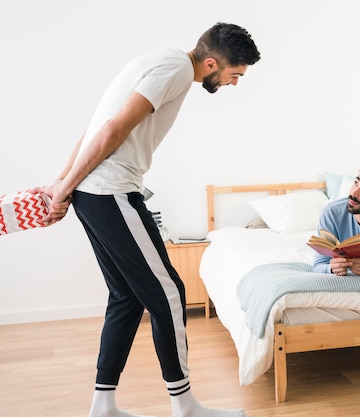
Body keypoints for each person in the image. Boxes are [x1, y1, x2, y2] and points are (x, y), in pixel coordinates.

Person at [34, 23, 261, 417]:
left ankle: (103, 405)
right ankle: (185, 405)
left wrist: (63, 184)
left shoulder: (154, 59)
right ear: (211, 63)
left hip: (96, 192)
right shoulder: (174, 70)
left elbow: (95, 127)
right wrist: (63, 186)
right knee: (169, 293)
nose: (233, 83)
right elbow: (111, 129)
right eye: (233, 75)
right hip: (111, 191)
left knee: (125, 296)